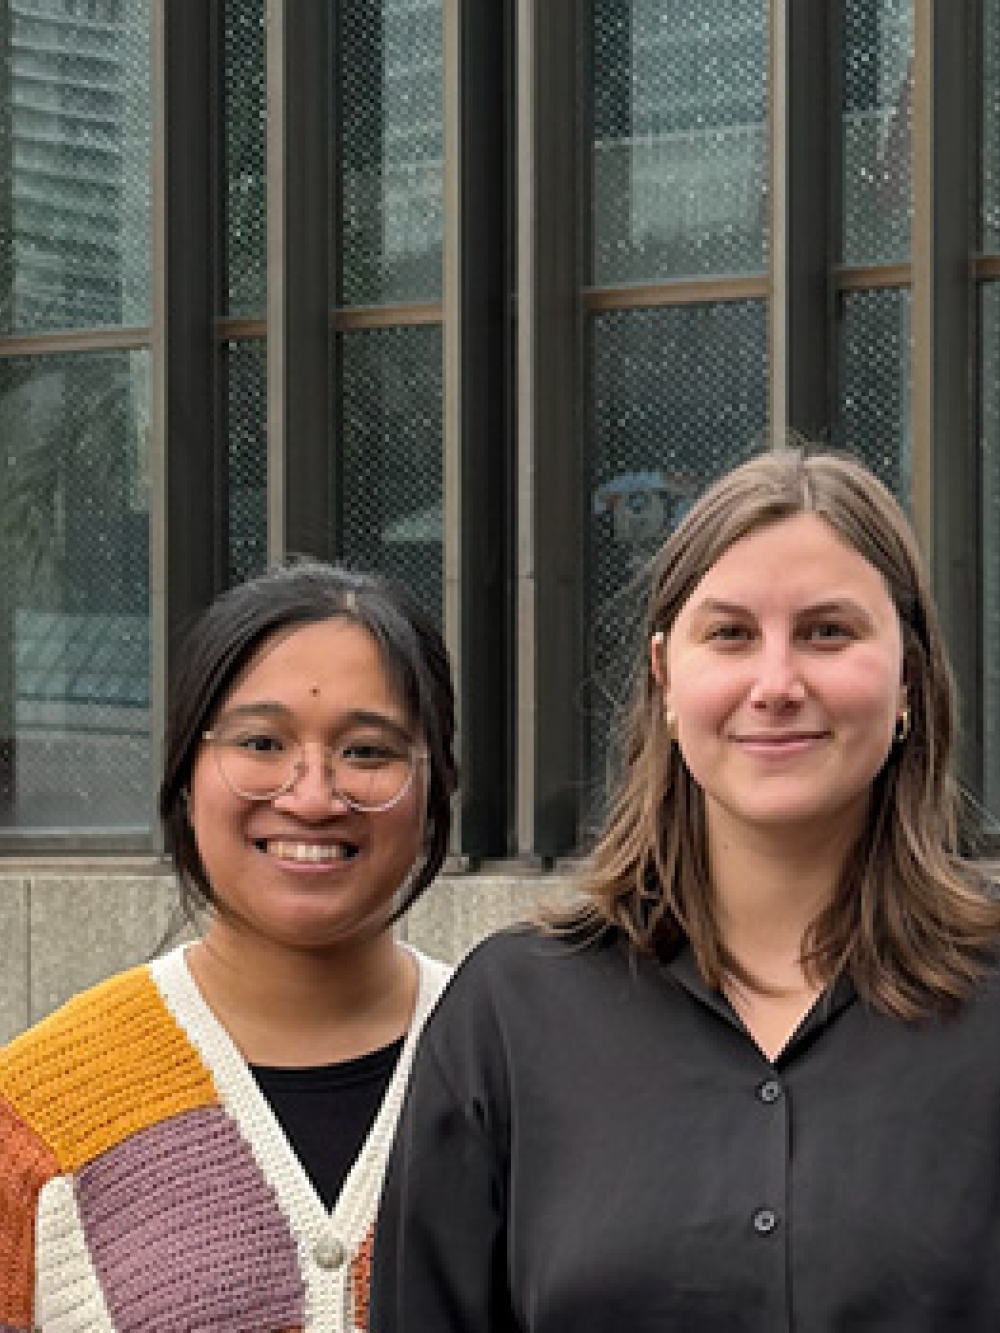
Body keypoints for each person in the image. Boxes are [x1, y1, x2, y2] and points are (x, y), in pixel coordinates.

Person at [371, 446, 1000, 1332]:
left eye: (828, 631)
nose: (777, 685)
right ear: (667, 678)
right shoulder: (509, 1018)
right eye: (732, 634)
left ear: (907, 680)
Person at [0, 558, 457, 1333]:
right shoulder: (43, 1117)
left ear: (437, 785)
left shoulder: (518, 1068)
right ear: (186, 770)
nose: (313, 795)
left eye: (369, 751)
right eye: (261, 742)